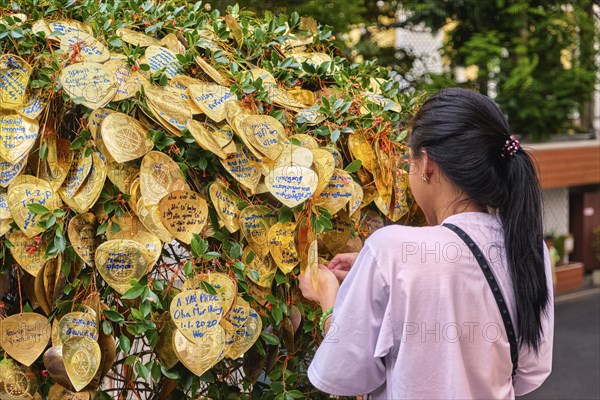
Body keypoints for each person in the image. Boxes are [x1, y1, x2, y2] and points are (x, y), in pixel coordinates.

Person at [299, 88, 554, 399]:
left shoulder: (391, 250)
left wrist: (329, 297)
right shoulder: (529, 248)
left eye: (410, 162)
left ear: (428, 164)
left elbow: (345, 374)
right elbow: (530, 371)